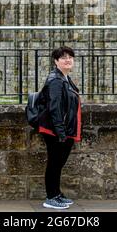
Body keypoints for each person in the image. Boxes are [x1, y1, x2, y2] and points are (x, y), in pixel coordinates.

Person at [38, 46, 82, 209]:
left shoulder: (64, 77)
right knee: (54, 163)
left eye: (70, 57)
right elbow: (54, 107)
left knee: (58, 163)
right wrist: (61, 132)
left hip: (63, 129)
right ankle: (50, 197)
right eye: (63, 57)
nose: (68, 60)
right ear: (56, 61)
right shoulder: (56, 80)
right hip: (55, 130)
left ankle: (56, 193)